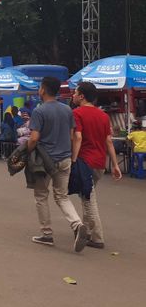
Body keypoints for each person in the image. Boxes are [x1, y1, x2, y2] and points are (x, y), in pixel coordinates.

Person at [27, 76, 89, 252]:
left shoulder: (39, 111)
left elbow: (34, 138)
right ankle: (77, 224)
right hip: (65, 159)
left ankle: (46, 234)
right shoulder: (67, 110)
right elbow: (72, 135)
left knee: (41, 196)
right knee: (62, 196)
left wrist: (27, 151)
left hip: (45, 161)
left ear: (43, 90)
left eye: (40, 87)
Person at [71, 82, 122, 248]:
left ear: (82, 96)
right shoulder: (103, 116)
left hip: (84, 161)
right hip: (100, 163)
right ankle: (85, 232)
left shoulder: (77, 113)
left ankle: (98, 237)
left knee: (88, 199)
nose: (73, 95)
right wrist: (115, 164)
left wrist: (73, 159)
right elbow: (109, 141)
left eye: (75, 92)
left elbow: (77, 138)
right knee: (87, 195)